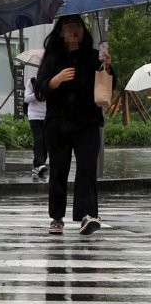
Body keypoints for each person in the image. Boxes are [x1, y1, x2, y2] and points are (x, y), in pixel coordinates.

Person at [34, 14, 113, 235]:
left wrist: (107, 67)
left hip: (87, 121)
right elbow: (40, 90)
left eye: (77, 26)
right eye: (68, 27)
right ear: (61, 32)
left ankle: (87, 215)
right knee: (59, 169)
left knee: (87, 167)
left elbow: (107, 85)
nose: (74, 30)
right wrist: (55, 80)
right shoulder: (53, 57)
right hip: (58, 124)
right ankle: (57, 216)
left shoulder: (92, 56)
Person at [23, 73, 48, 178]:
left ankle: (37, 165)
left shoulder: (51, 82)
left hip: (47, 115)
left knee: (45, 141)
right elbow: (27, 99)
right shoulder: (32, 81)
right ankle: (41, 164)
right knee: (38, 139)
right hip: (34, 115)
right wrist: (37, 93)